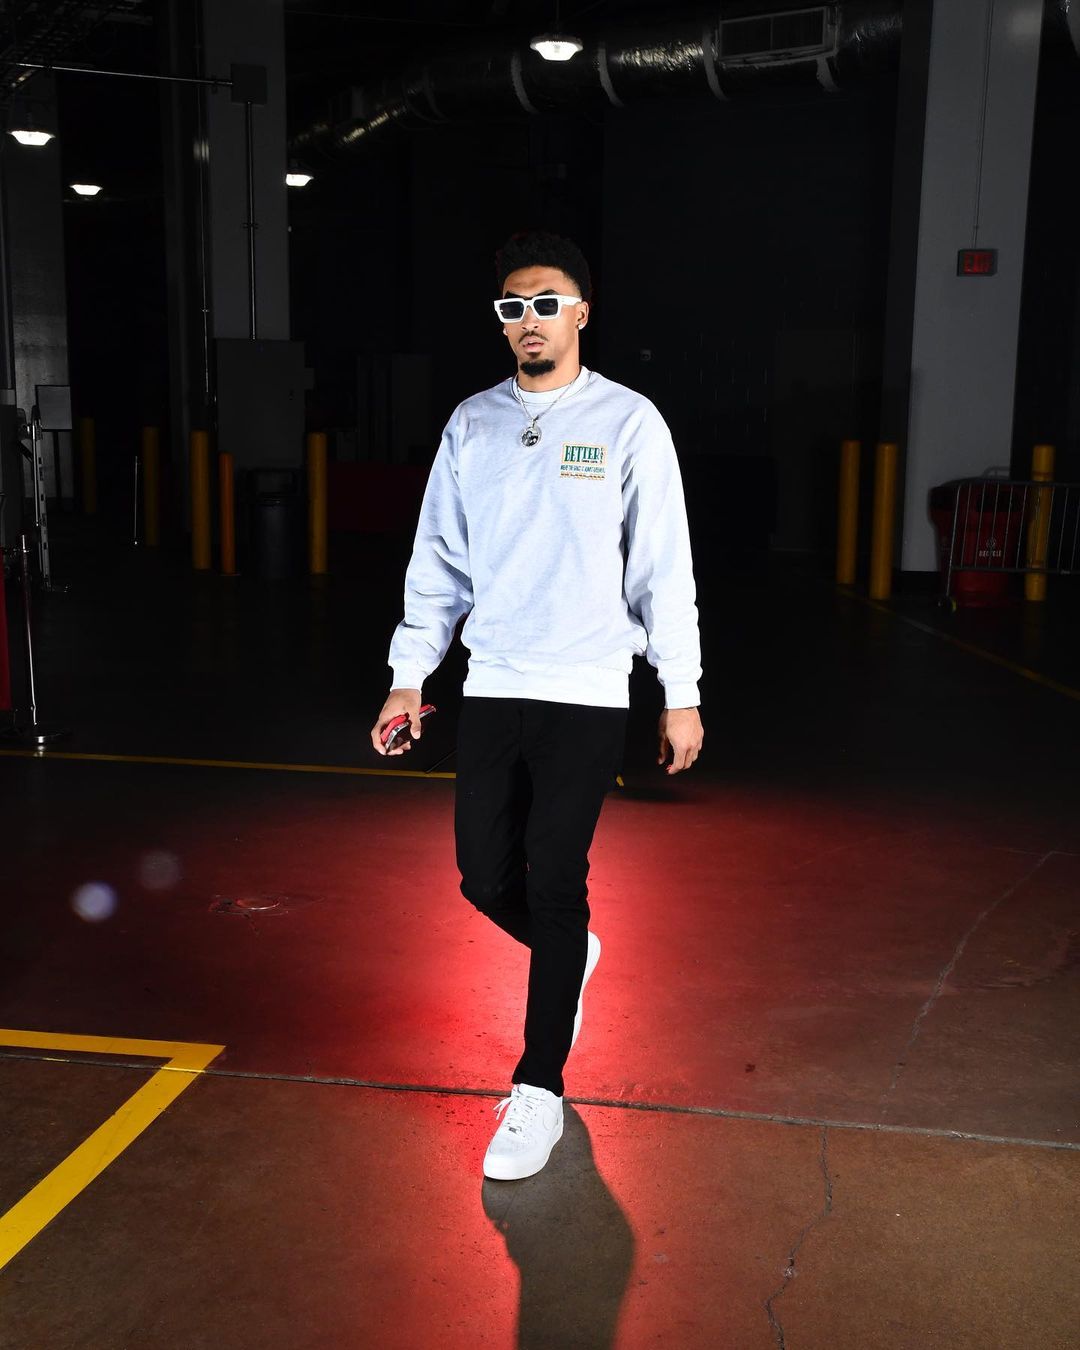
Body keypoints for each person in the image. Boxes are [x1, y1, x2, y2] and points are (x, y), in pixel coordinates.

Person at [370, 230, 703, 1181]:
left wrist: (680, 692)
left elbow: (663, 567)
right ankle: (569, 952)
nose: (530, 320)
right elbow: (437, 561)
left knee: (555, 876)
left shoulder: (629, 420)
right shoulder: (472, 424)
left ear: (581, 312)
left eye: (547, 303)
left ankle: (538, 1089)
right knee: (484, 878)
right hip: (494, 683)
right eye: (513, 306)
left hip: (588, 688)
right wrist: (409, 674)